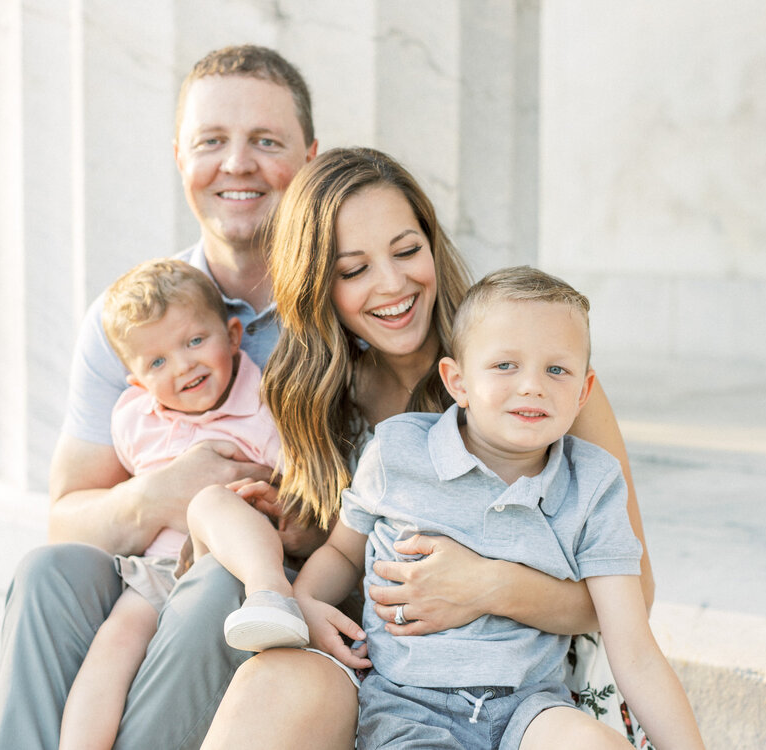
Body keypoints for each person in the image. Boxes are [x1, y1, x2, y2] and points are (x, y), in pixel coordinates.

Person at [200, 148, 657, 749]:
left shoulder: (534, 384)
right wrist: (298, 566)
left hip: (522, 685)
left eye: (407, 251)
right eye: (352, 268)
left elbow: (632, 597)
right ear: (318, 284)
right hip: (380, 671)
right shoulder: (318, 394)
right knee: (259, 665)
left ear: (432, 246)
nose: (392, 284)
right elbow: (348, 544)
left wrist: (486, 585)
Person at [0, 45, 322, 750]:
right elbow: (67, 516)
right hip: (155, 562)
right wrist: (161, 494)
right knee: (50, 571)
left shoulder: (335, 305)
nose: (236, 164)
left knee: (217, 589)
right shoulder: (134, 320)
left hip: (273, 579)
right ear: (180, 158)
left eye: (265, 141)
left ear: (310, 157)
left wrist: (289, 518)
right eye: (211, 142)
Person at [293, 266, 705, 749]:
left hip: (532, 709)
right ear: (458, 381)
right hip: (408, 706)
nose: (532, 385)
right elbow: (343, 553)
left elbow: (634, 653)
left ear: (583, 393)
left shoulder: (593, 484)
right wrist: (305, 600)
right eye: (505, 365)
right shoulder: (398, 454)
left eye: (556, 369)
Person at [58, 258, 291, 749]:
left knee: (212, 502)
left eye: (194, 342)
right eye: (157, 362)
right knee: (114, 645)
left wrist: (274, 491)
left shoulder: (266, 406)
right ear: (137, 382)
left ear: (232, 336)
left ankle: (273, 598)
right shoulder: (135, 419)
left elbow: (300, 492)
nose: (183, 366)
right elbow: (83, 499)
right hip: (157, 569)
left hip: (233, 569)